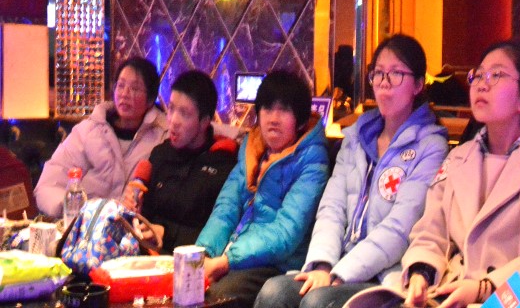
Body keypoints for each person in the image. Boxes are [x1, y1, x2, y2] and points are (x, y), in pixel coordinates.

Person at [254, 34, 449, 308]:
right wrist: (322, 264)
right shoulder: (357, 136)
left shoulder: (431, 146)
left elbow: (400, 228)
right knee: (273, 292)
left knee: (318, 302)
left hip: (386, 274)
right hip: (339, 261)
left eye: (396, 73)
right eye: (378, 73)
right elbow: (332, 208)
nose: (384, 82)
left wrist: (340, 274)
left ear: (418, 84)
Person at [397, 41, 520, 308]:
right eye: (478, 75)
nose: (481, 85)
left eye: (496, 75)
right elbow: (431, 231)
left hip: (517, 300)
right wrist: (421, 274)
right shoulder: (458, 157)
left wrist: (485, 289)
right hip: (451, 292)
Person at [195, 70, 330, 308]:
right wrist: (203, 254)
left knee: (216, 297)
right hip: (235, 252)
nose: (273, 118)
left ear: (300, 120)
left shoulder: (312, 160)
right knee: (183, 283)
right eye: (267, 108)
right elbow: (226, 208)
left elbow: (286, 233)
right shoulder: (252, 148)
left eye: (284, 110)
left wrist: (227, 261)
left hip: (277, 262)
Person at [34, 57, 168, 219]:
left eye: (135, 88)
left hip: (133, 229)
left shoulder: (162, 138)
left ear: (151, 99)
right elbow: (48, 185)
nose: (125, 94)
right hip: (83, 225)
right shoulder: (88, 131)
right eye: (121, 85)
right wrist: (76, 211)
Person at [122, 70, 238, 254]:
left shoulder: (223, 164)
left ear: (204, 122)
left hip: (190, 261)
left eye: (184, 113)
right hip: (144, 254)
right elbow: (143, 219)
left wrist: (166, 233)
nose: (173, 121)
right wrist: (134, 208)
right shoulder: (160, 154)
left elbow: (218, 235)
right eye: (171, 109)